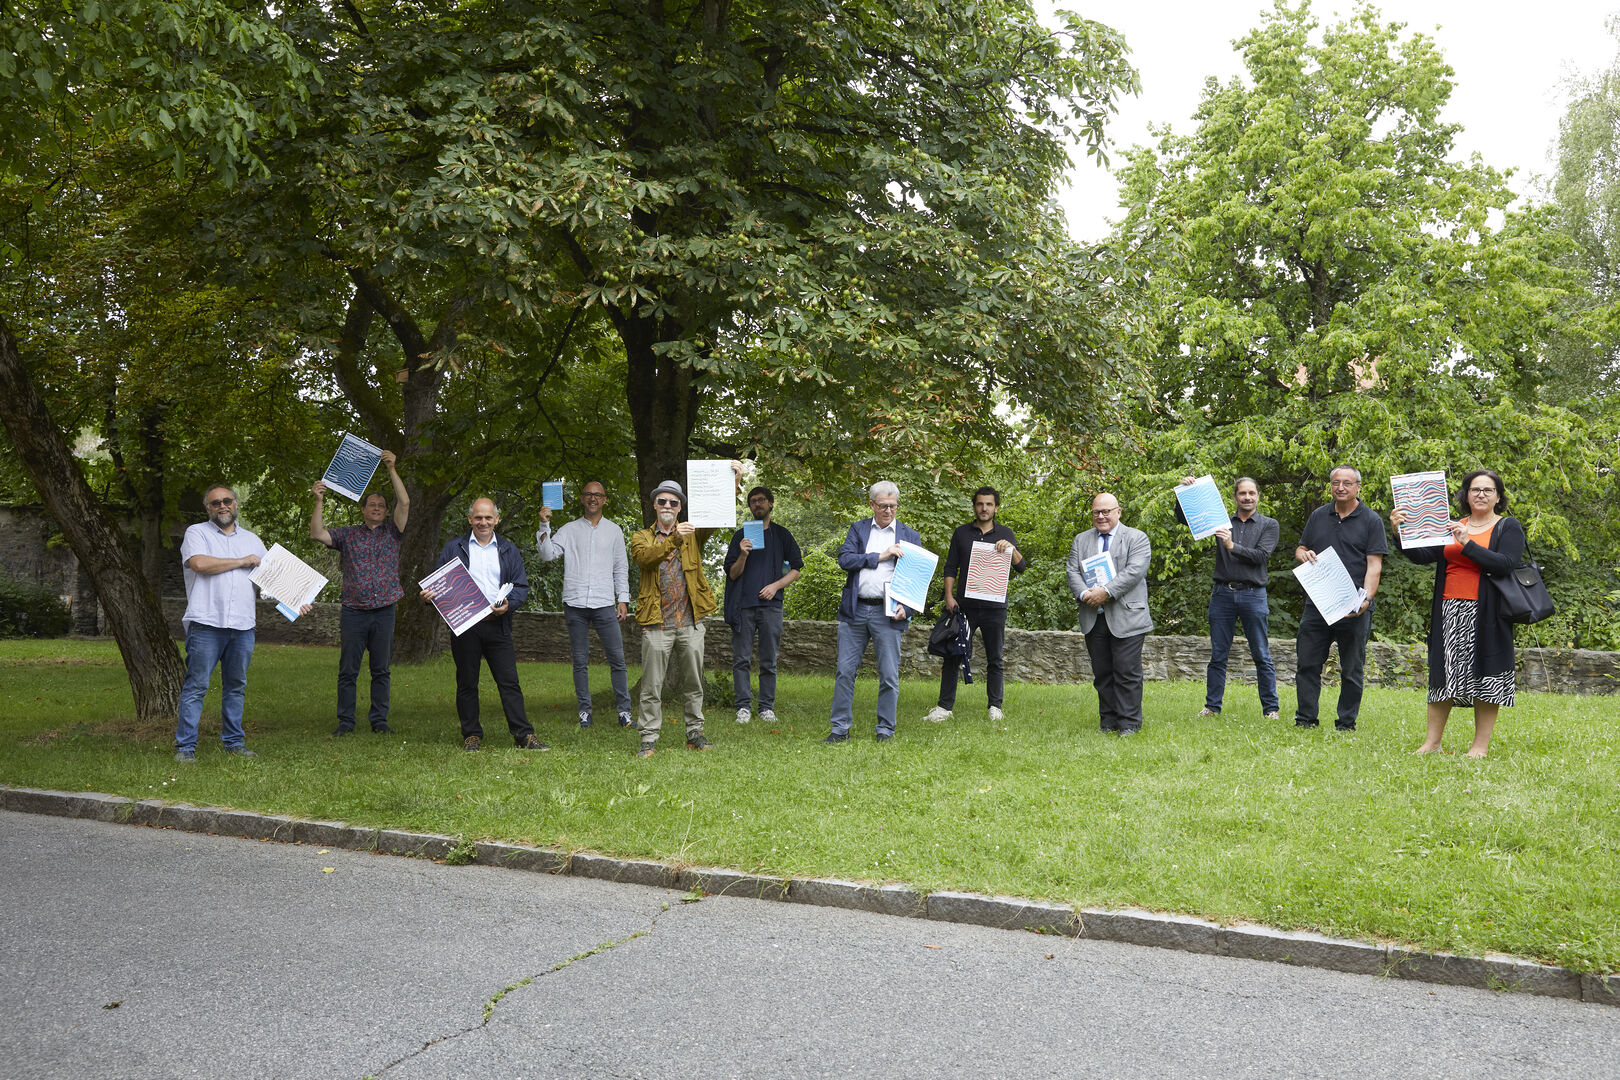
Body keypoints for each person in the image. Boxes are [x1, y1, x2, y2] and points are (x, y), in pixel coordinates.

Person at [1390, 469, 1523, 757]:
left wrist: (1468, 544)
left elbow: (1505, 564)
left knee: (1487, 675)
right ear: (1465, 495)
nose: (1481, 495)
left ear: (1498, 496)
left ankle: (1479, 747)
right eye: (1475, 489)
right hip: (1449, 609)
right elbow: (1423, 556)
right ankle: (1432, 743)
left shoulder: (1507, 527)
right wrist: (1400, 532)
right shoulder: (1452, 524)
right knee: (1442, 673)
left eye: (1488, 490)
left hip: (1488, 613)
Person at [175, 485, 307, 762]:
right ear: (208, 508)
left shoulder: (252, 540)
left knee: (236, 686)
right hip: (206, 622)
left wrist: (297, 600)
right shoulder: (196, 533)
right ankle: (185, 749)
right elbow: (199, 564)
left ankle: (234, 743)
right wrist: (241, 561)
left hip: (243, 626)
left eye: (227, 501)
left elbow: (268, 585)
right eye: (215, 503)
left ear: (235, 504)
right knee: (196, 686)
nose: (222, 506)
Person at [629, 463, 743, 758]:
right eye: (662, 501)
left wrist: (734, 481)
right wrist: (675, 539)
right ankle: (649, 738)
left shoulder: (693, 533)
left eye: (673, 502)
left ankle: (695, 734)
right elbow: (645, 560)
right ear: (655, 505)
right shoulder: (641, 536)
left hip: (691, 621)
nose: (667, 505)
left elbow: (717, 512)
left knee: (694, 683)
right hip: (656, 624)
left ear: (680, 508)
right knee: (651, 687)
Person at [421, 498, 546, 752]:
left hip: (498, 625)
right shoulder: (453, 547)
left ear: (496, 520)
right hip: (465, 625)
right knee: (467, 682)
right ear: (470, 519)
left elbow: (521, 587)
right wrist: (429, 595)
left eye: (488, 518)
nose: (483, 522)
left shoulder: (509, 550)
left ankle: (524, 734)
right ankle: (471, 735)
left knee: (509, 681)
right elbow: (437, 583)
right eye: (478, 517)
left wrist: (509, 605)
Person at [310, 450, 410, 736]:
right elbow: (317, 534)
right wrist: (319, 501)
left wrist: (391, 468)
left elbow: (405, 501)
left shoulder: (394, 531)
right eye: (372, 504)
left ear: (386, 510)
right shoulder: (348, 534)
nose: (377, 508)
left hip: (384, 611)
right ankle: (346, 723)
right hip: (354, 611)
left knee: (381, 670)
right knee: (348, 671)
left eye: (381, 505)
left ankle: (380, 722)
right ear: (363, 509)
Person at [1175, 475, 1280, 720]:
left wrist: (1232, 546)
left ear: (1258, 496)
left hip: (1254, 595)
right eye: (1242, 493)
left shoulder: (1269, 524)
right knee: (1218, 654)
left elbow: (1261, 556)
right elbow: (1186, 519)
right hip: (1222, 594)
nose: (1247, 497)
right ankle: (1212, 707)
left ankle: (1271, 709)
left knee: (1261, 655)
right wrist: (1185, 492)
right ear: (1235, 497)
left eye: (1251, 493)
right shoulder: (1220, 521)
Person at [825, 481, 923, 744]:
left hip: (888, 614)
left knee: (889, 675)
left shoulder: (910, 536)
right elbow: (845, 560)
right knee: (845, 671)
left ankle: (885, 731)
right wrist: (880, 555)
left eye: (893, 506)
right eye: (883, 506)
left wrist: (909, 608)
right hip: (855, 610)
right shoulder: (858, 530)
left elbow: (916, 579)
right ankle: (839, 729)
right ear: (872, 505)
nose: (889, 511)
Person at [1292, 465, 1387, 732]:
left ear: (1358, 486)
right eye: (1336, 483)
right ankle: (1305, 720)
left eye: (1347, 483)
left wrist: (1365, 601)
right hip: (1317, 605)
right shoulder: (1319, 516)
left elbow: (1374, 566)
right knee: (1308, 663)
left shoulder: (1371, 520)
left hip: (1353, 606)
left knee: (1351, 669)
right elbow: (1302, 548)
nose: (1341, 487)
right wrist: (1303, 555)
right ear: (1331, 485)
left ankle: (1346, 724)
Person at [923, 487, 1025, 724]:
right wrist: (949, 596)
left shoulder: (1006, 534)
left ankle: (995, 707)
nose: (984, 508)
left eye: (989, 504)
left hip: (995, 608)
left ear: (996, 507)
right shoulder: (961, 533)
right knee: (952, 656)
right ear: (974, 507)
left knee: (995, 658)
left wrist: (1012, 550)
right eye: (980, 504)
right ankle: (944, 708)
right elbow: (950, 567)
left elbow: (1021, 567)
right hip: (964, 607)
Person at [536, 480, 633, 730]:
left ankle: (624, 712)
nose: (593, 498)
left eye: (597, 495)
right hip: (575, 602)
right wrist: (544, 524)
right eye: (588, 494)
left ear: (604, 499)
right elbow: (547, 555)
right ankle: (584, 712)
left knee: (617, 660)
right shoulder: (568, 529)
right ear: (581, 499)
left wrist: (623, 598)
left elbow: (621, 567)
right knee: (580, 661)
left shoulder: (614, 531)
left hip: (604, 603)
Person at [1066, 493, 1153, 736]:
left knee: (1127, 672)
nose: (1101, 516)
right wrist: (1085, 595)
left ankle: (1129, 723)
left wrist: (1106, 592)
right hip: (1094, 615)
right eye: (1096, 512)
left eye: (1106, 511)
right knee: (1102, 672)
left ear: (1119, 511)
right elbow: (1072, 571)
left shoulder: (1137, 538)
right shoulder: (1081, 540)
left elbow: (1134, 572)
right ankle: (1108, 722)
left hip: (1128, 616)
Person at [723, 485, 803, 725]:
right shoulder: (740, 536)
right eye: (752, 501)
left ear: (770, 504)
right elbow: (733, 574)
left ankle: (766, 707)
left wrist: (775, 586)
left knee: (769, 660)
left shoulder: (782, 535)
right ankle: (743, 707)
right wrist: (743, 554)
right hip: (743, 607)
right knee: (741, 660)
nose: (756, 504)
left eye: (761, 500)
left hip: (771, 607)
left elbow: (796, 570)